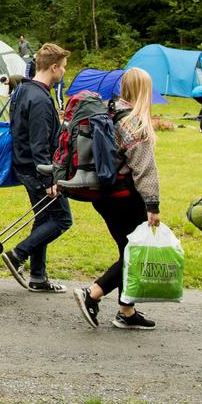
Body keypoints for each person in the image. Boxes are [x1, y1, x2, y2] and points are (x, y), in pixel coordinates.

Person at [74, 67, 163, 331]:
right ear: (143, 91)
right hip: (125, 196)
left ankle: (126, 310)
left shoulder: (108, 110)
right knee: (135, 252)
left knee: (127, 249)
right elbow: (145, 168)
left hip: (102, 193)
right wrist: (153, 205)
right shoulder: (135, 122)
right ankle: (92, 293)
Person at [3, 43, 73, 293]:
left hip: (25, 165)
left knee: (43, 219)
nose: (64, 72)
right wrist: (49, 180)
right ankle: (17, 254)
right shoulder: (40, 99)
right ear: (54, 67)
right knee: (62, 219)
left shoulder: (23, 89)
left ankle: (38, 276)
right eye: (63, 67)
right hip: (38, 171)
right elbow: (39, 144)